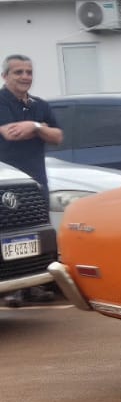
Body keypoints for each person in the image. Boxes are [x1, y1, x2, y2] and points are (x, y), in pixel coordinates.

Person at [1, 54, 64, 305]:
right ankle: (12, 288)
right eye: (18, 72)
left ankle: (35, 285)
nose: (25, 77)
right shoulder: (2, 101)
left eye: (28, 72)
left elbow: (57, 136)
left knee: (35, 235)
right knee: (11, 236)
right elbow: (11, 133)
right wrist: (37, 129)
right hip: (7, 184)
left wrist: (36, 126)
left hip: (35, 181)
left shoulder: (40, 105)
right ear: (5, 76)